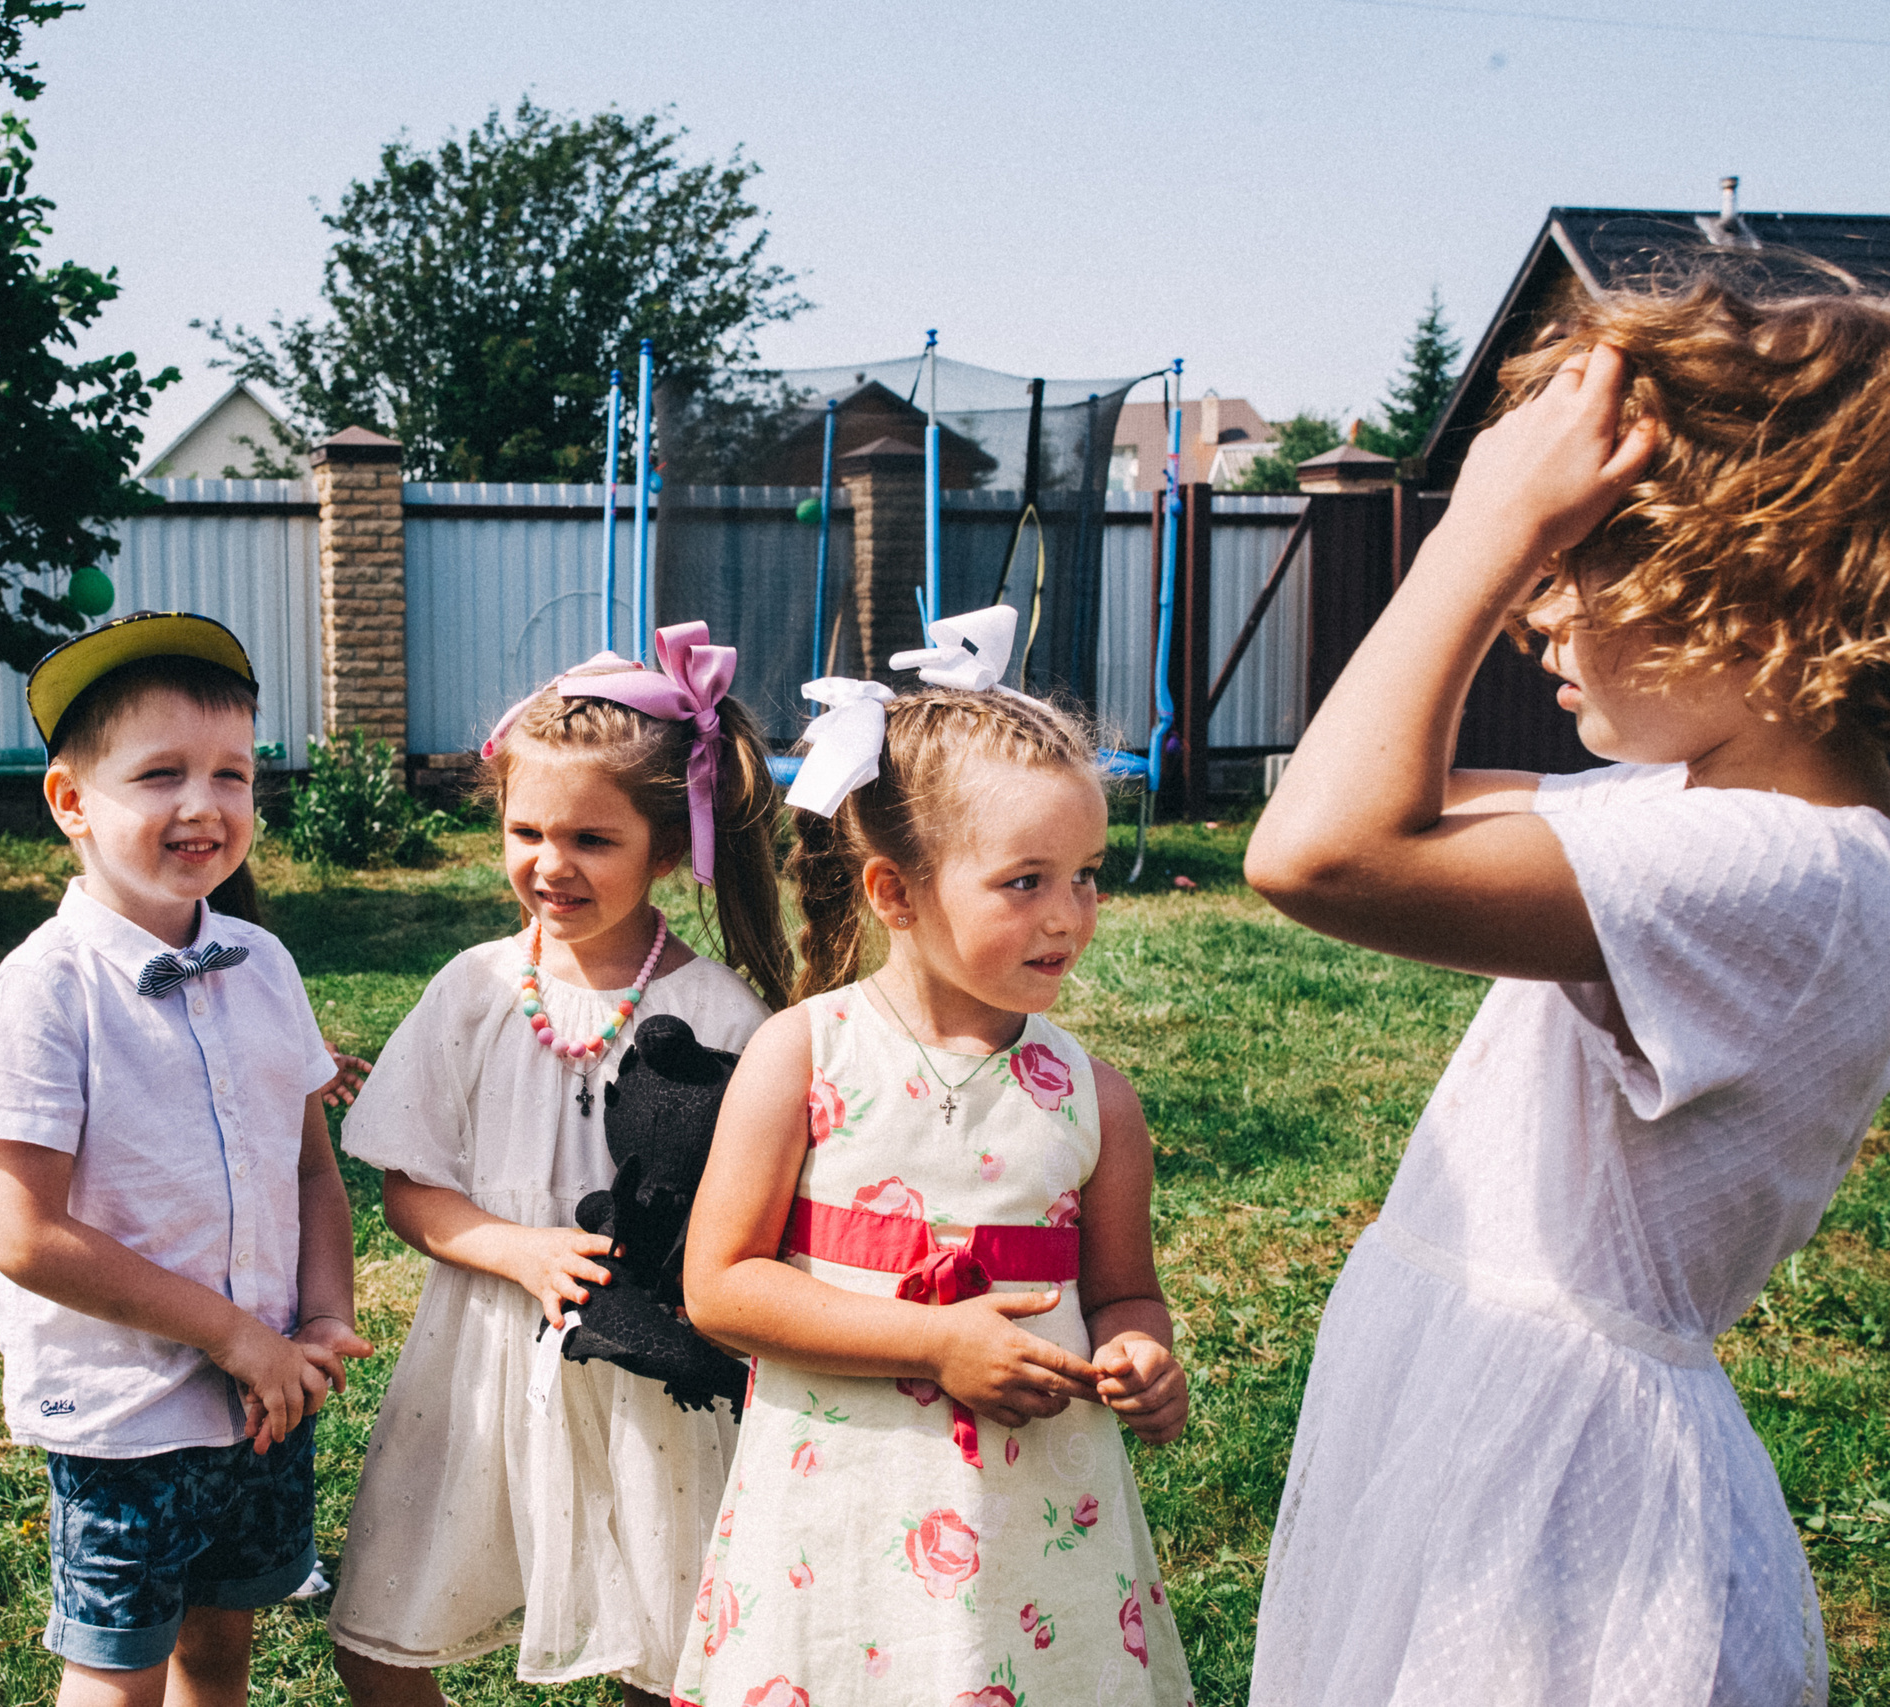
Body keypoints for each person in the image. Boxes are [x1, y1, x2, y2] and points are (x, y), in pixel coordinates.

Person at [1243, 279, 1890, 1704]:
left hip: (1560, 1500)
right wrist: (1508, 528)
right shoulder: (1705, 814)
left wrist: (1479, 534)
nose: (1539, 601)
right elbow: (1390, 782)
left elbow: (1321, 844)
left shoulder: (1784, 866)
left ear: (1763, 578)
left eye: (1580, 553)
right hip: (1495, 1419)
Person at [674, 614, 1196, 1707]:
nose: (1069, 917)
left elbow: (1124, 1292)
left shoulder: (1093, 1099)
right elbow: (721, 1287)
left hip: (1030, 1527)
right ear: (894, 894)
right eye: (1025, 882)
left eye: (1086, 877)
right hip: (844, 1502)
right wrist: (933, 1340)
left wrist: (1142, 1357)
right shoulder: (801, 1055)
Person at [328, 624, 795, 1707]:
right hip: (479, 1358)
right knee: (383, 1632)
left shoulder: (720, 1015)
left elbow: (756, 1213)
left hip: (647, 1376)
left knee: (661, 1649)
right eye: (525, 829)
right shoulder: (476, 989)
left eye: (591, 838)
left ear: (669, 847)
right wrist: (519, 1250)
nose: (550, 863)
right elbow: (409, 1189)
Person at [0, 612, 373, 1707]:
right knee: (117, 1673)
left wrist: (320, 1315)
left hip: (263, 1399)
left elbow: (310, 1174)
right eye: (159, 774)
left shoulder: (263, 963)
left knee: (219, 1645)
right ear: (71, 803)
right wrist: (232, 1335)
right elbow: (28, 1236)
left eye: (231, 773)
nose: (204, 804)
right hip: (126, 1419)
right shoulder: (45, 992)